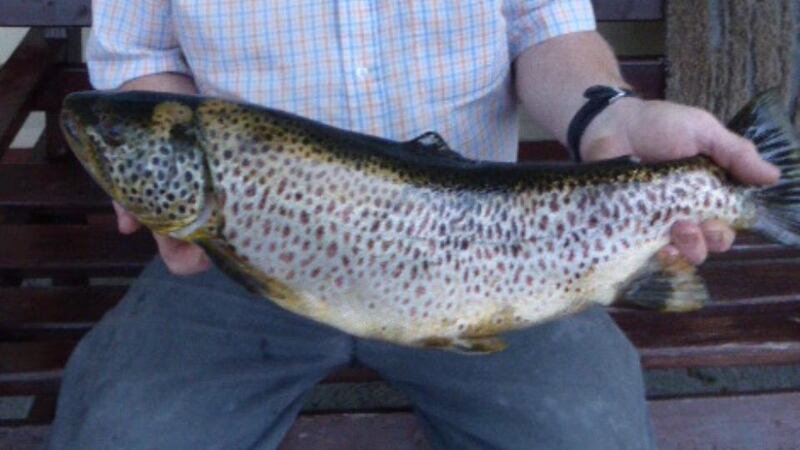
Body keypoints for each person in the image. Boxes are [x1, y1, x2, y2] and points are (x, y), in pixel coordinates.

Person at [46, 1, 779, 449]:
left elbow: (545, 28)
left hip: (492, 256)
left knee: (588, 436)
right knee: (123, 435)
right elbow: (139, 60)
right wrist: (165, 184)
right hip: (236, 267)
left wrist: (611, 117)